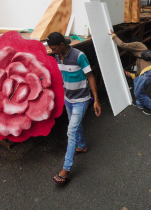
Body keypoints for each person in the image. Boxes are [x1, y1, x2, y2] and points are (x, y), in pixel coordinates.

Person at [47, 32, 101, 185]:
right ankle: (82, 146)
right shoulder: (57, 56)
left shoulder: (79, 56)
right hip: (68, 99)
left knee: (71, 131)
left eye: (54, 48)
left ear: (62, 45)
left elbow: (90, 76)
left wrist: (96, 100)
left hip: (81, 100)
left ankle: (66, 169)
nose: (52, 51)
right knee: (74, 125)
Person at [109, 32, 151, 115]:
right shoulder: (140, 58)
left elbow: (123, 45)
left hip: (149, 72)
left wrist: (113, 36)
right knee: (136, 80)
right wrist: (131, 75)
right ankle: (140, 104)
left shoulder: (138, 44)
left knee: (139, 92)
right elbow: (140, 73)